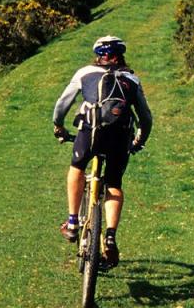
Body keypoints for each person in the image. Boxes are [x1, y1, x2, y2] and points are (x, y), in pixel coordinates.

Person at [51, 35, 152, 268]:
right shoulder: (131, 79)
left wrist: (59, 126)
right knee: (114, 184)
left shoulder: (84, 73)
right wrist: (139, 140)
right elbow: (145, 118)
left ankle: (73, 222)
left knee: (77, 167)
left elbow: (61, 105)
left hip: (90, 133)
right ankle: (110, 238)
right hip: (120, 136)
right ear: (121, 56)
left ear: (98, 56)